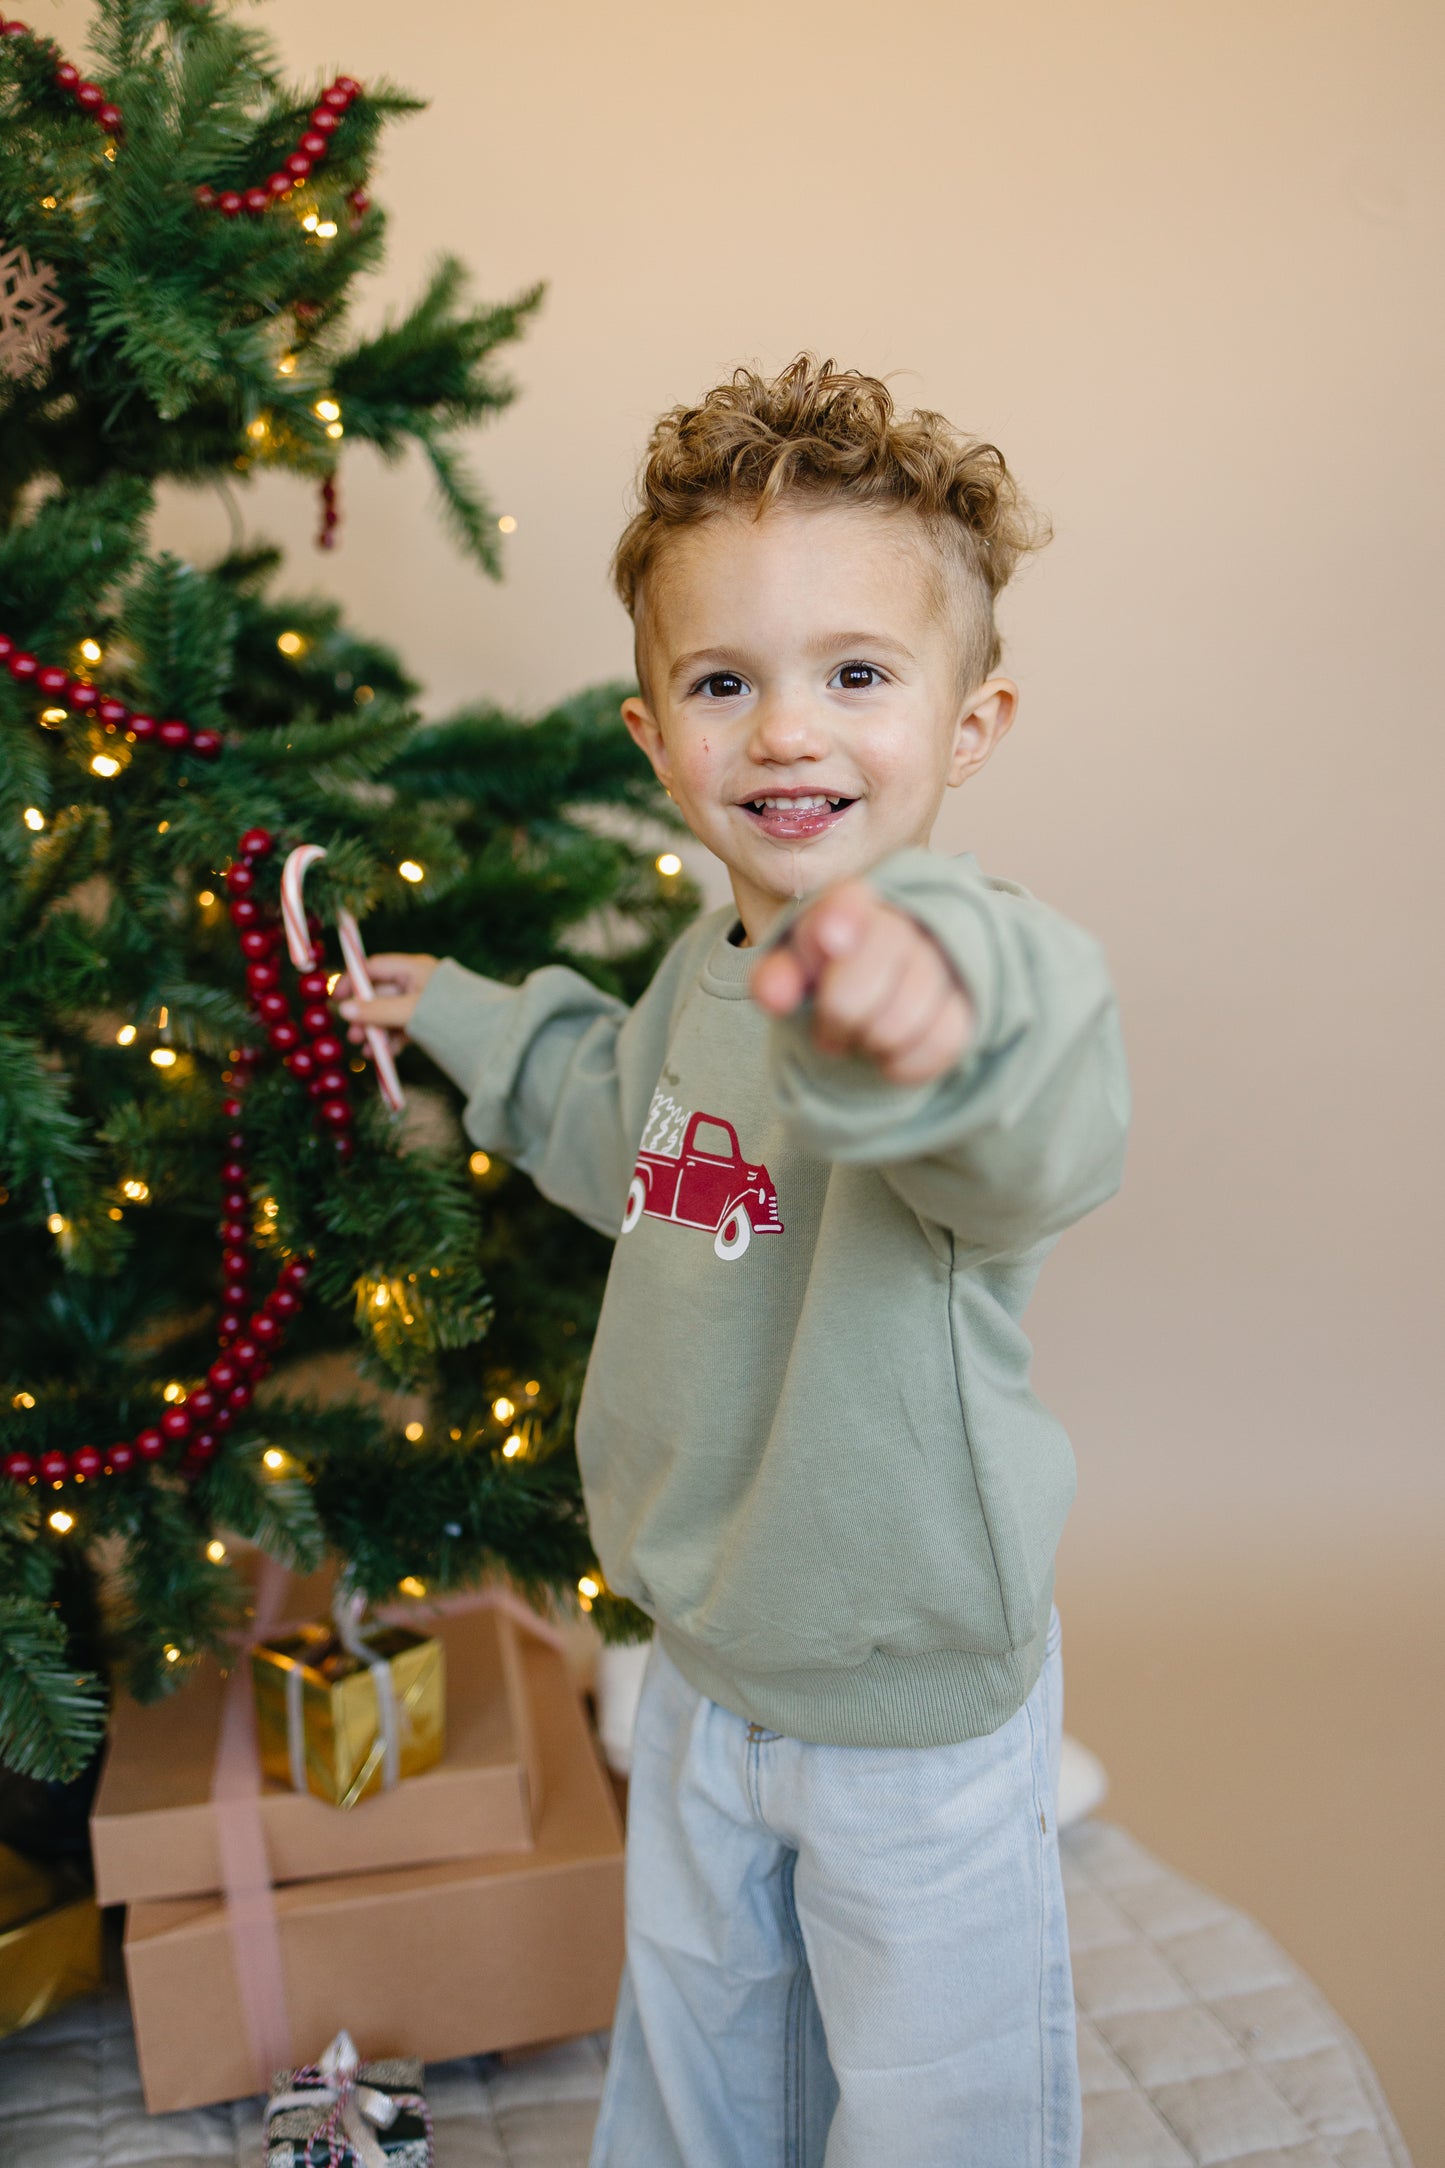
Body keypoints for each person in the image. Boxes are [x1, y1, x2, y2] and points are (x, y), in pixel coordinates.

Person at [339, 355, 1129, 2168]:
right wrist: (457, 1008)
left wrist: (927, 1018)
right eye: (724, 682)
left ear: (967, 725)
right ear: (653, 739)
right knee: (698, 2061)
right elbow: (623, 1142)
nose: (785, 730)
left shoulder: (963, 971)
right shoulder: (702, 967)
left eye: (855, 675)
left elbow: (1034, 1128)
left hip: (907, 1692)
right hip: (698, 1660)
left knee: (938, 2112)